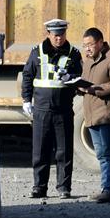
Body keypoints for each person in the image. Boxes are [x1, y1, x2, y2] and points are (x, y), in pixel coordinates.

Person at [21, 18, 84, 199]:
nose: (59, 39)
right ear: (49, 34)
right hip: (41, 109)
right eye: (56, 35)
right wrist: (26, 99)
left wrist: (70, 76)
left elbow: (80, 77)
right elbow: (27, 76)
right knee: (40, 150)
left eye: (62, 35)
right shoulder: (37, 52)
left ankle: (64, 188)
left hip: (63, 109)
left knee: (64, 151)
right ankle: (39, 187)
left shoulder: (74, 53)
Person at [78, 27, 110, 203]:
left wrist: (91, 89)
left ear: (100, 42)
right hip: (92, 116)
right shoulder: (88, 62)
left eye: (90, 45)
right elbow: (86, 85)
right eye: (84, 46)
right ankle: (105, 188)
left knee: (109, 153)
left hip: (107, 114)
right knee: (101, 154)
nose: (87, 49)